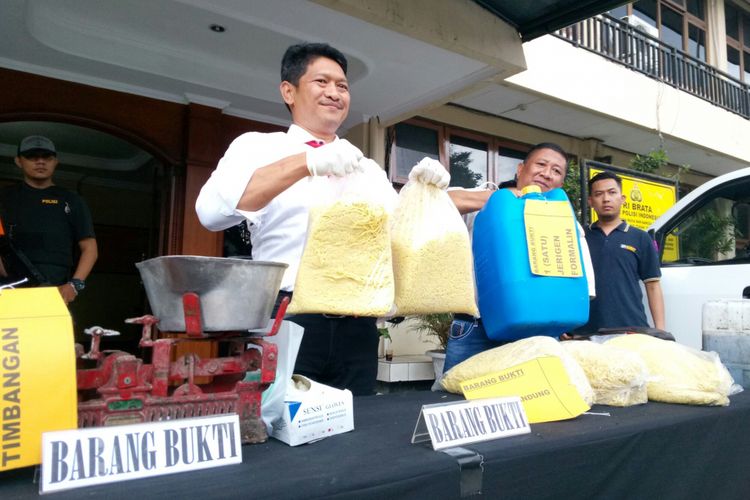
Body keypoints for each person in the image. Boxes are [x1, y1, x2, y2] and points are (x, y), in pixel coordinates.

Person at [196, 42, 448, 396]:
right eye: (321, 82)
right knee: (280, 424)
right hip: (288, 315)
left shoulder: (367, 168)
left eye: (342, 86)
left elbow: (402, 233)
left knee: (355, 431)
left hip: (357, 324)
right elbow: (210, 214)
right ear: (289, 90)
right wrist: (306, 163)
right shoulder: (257, 147)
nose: (334, 93)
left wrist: (426, 191)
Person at [441, 142, 596, 374]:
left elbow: (585, 288)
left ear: (560, 184)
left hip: (538, 329)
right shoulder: (489, 204)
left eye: (556, 171)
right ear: (520, 169)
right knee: (457, 399)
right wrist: (502, 200)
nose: (547, 173)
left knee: (531, 404)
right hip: (476, 327)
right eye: (541, 164)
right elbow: (440, 202)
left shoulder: (566, 222)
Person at [0, 135, 97, 303]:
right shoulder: (4, 198)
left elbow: (90, 248)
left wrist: (75, 285)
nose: (40, 161)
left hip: (57, 288)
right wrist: (6, 278)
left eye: (47, 157)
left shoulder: (71, 200)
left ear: (55, 162)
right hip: (11, 287)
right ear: (18, 161)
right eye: (32, 156)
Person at [574, 171, 664, 333]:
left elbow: (653, 285)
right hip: (585, 332)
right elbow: (569, 283)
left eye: (612, 192)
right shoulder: (579, 237)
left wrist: (661, 331)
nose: (606, 199)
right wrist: (566, 325)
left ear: (622, 199)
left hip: (631, 330)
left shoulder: (640, 238)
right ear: (590, 201)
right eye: (599, 194)